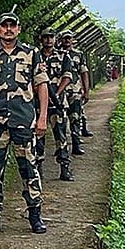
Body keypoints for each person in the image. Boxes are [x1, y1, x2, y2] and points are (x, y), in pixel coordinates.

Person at [0, 10, 49, 235]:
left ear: (18, 29)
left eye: (12, 26)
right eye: (4, 26)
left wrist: (42, 117)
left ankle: (35, 214)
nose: (8, 30)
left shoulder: (31, 53)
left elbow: (41, 84)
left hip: (23, 120)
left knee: (29, 168)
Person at [33, 28, 74, 182]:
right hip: (38, 104)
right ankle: (38, 169)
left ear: (55, 39)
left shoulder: (63, 56)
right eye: (46, 37)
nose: (48, 40)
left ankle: (65, 168)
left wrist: (56, 94)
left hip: (58, 104)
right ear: (41, 39)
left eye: (51, 37)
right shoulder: (35, 56)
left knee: (61, 137)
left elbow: (67, 77)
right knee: (38, 138)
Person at [59, 31, 88, 154]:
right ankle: (61, 147)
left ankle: (76, 145)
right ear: (60, 40)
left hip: (75, 90)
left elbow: (84, 72)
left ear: (72, 40)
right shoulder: (56, 54)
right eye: (64, 38)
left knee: (75, 118)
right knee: (61, 120)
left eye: (69, 38)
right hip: (61, 91)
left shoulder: (78, 54)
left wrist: (86, 90)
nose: (67, 40)